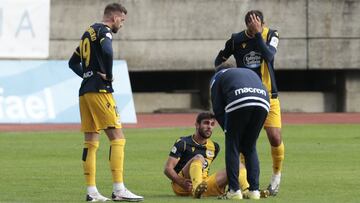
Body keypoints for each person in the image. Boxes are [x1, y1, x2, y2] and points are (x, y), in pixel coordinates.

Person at [68, 3, 143, 202]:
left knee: (91, 142)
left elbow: (72, 63)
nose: (122, 24)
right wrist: (108, 75)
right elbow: (108, 51)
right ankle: (119, 189)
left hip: (85, 92)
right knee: (117, 137)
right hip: (100, 90)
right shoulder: (104, 31)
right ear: (115, 17)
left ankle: (91, 192)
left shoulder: (88, 32)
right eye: (123, 20)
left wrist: (88, 75)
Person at [214, 10, 284, 196]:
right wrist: (226, 71)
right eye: (251, 25)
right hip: (244, 95)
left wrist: (259, 34)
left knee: (275, 137)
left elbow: (269, 56)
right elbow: (219, 58)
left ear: (263, 23)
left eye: (258, 23)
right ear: (246, 25)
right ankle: (245, 186)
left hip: (269, 95)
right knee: (245, 143)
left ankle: (276, 175)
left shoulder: (271, 34)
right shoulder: (236, 39)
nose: (255, 26)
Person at [210, 63, 270, 200]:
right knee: (250, 146)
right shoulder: (248, 72)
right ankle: (254, 191)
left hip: (239, 98)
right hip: (263, 101)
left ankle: (234, 190)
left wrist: (226, 128)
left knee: (233, 144)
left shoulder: (218, 76)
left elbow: (218, 107)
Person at [163, 112, 251, 199]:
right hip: (182, 185)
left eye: (212, 124)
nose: (209, 127)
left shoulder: (214, 147)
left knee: (237, 165)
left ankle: (247, 191)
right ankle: (196, 188)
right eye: (206, 123)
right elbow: (168, 169)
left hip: (204, 184)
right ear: (197, 125)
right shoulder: (183, 143)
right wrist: (181, 182)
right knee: (199, 157)